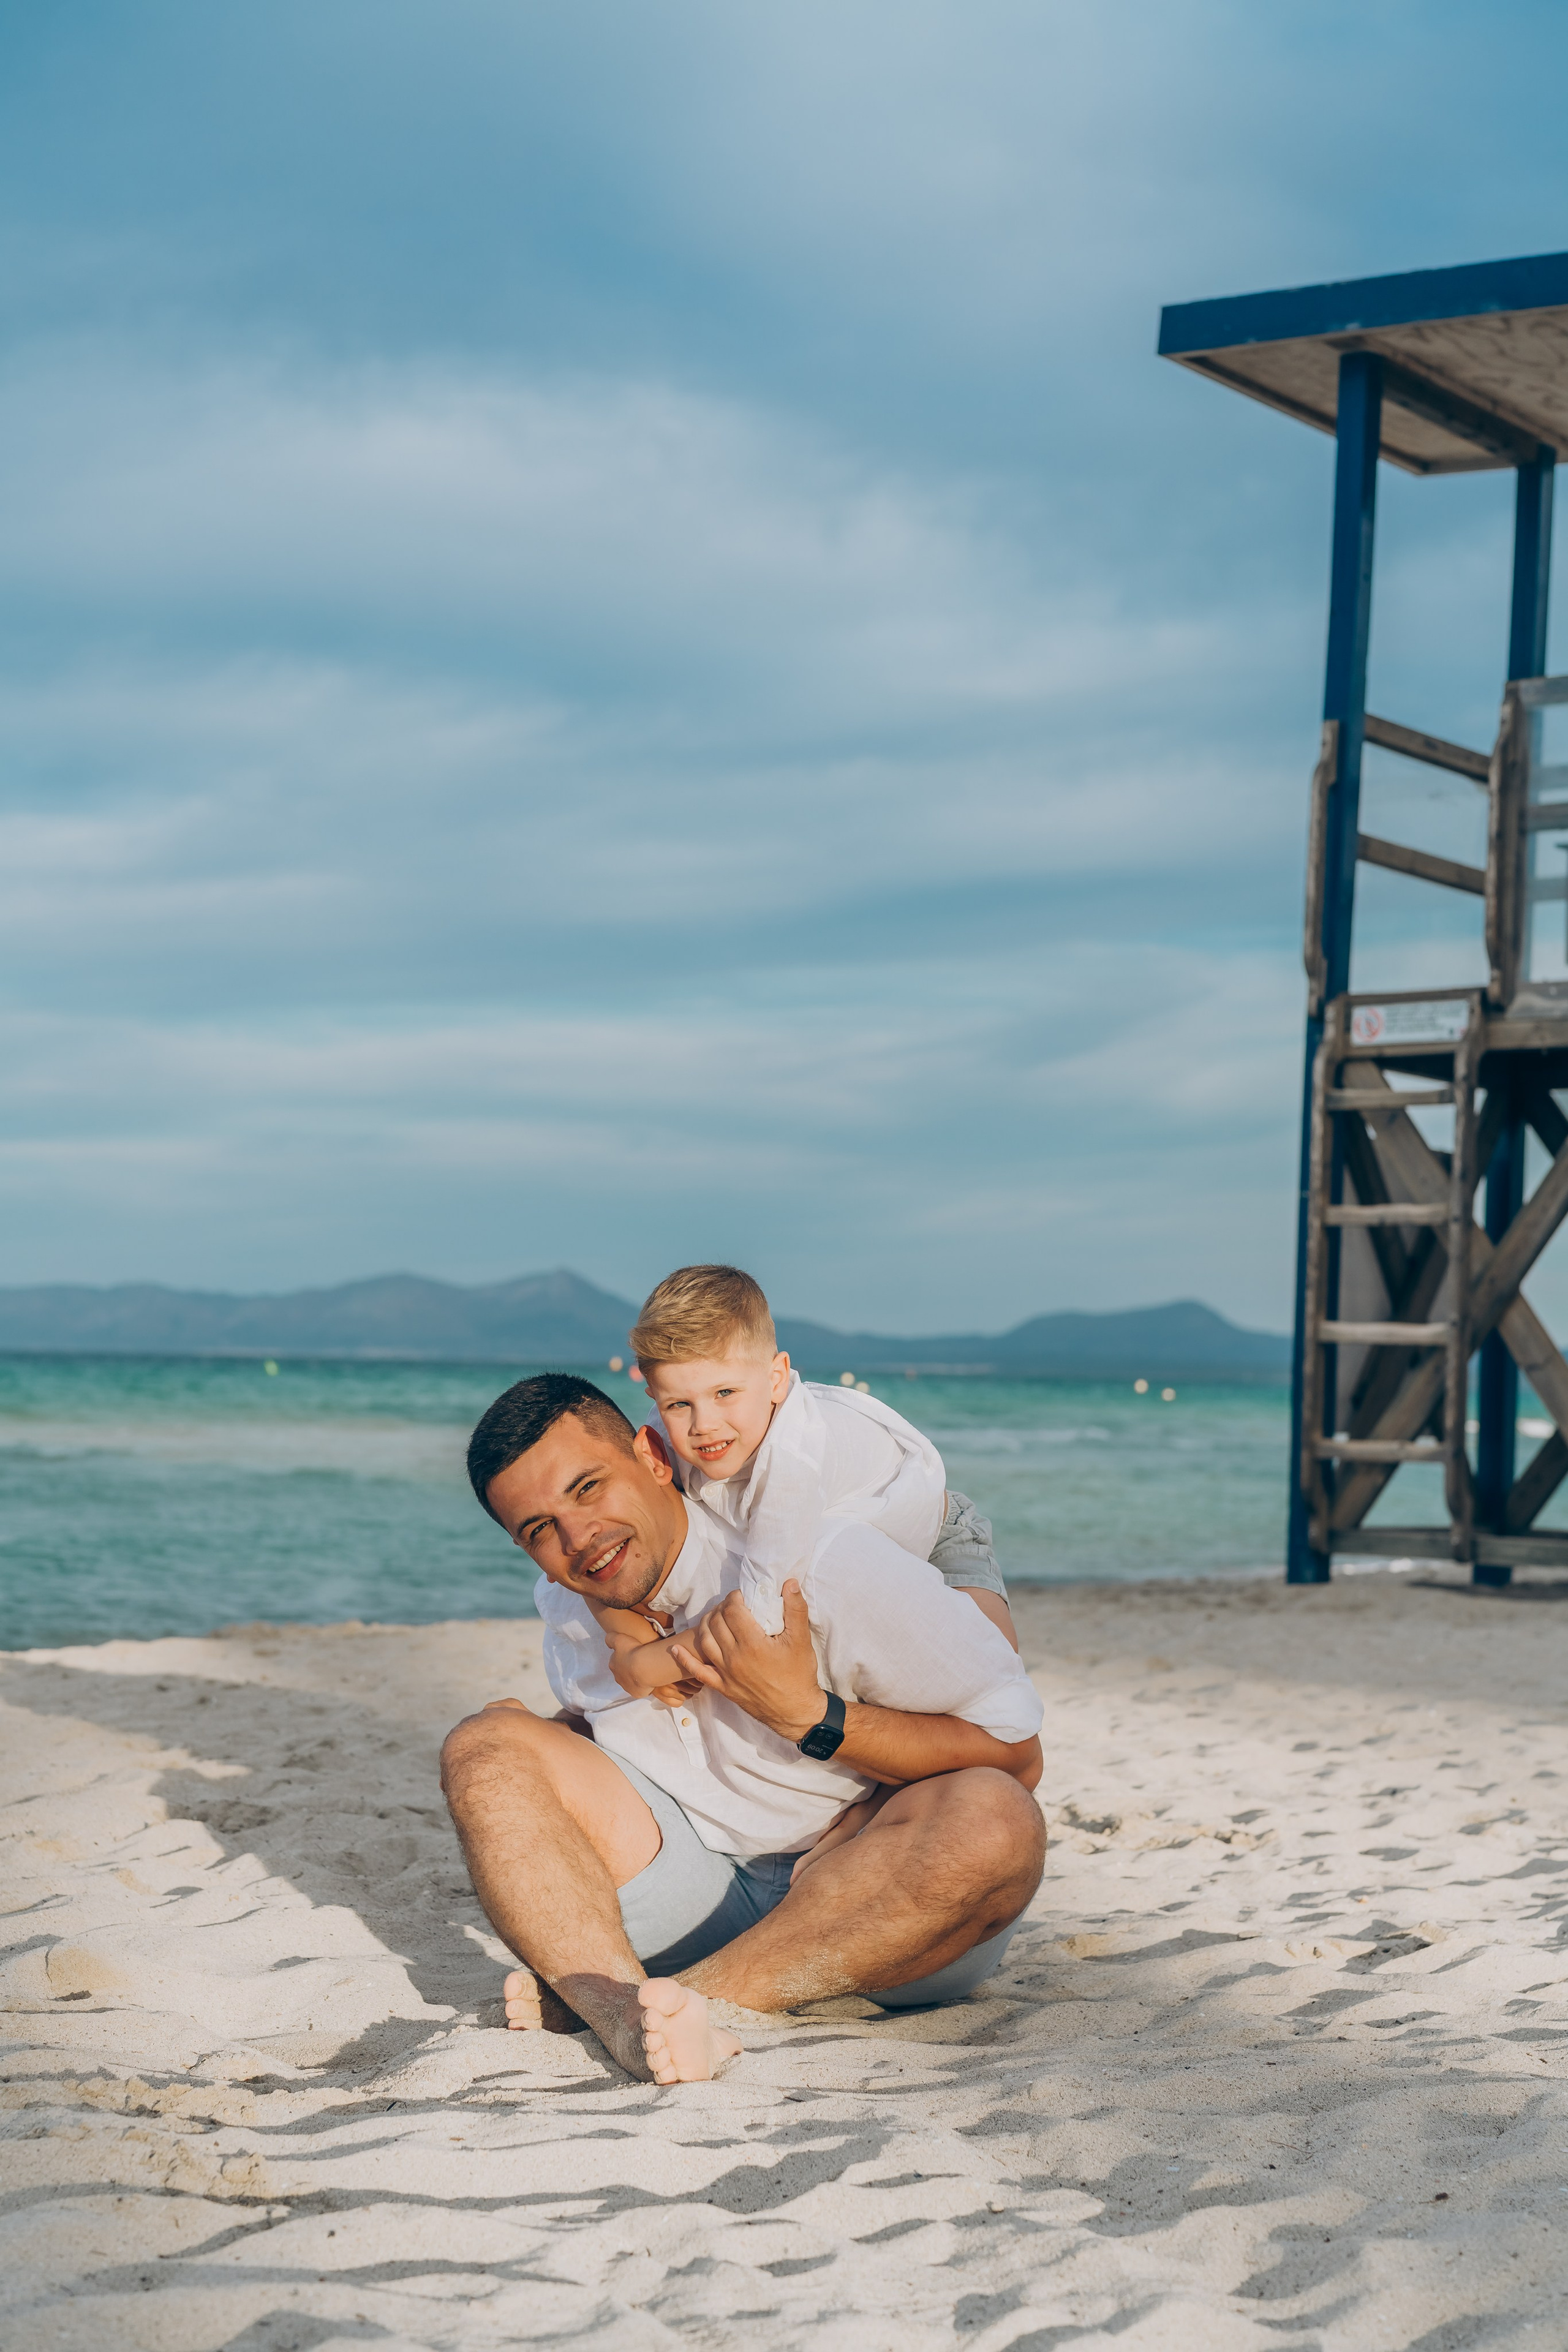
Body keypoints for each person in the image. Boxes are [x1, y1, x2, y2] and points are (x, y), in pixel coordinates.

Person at [442, 1371, 1046, 2084]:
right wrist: (536, 1758)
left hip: (872, 1905)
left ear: (654, 1456)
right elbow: (601, 1734)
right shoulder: (572, 1609)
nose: (579, 1539)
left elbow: (1016, 1753)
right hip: (689, 1887)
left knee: (995, 1823)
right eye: (540, 1529)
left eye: (588, 1487)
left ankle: (654, 2006)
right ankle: (628, 2013)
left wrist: (810, 1717)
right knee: (485, 1745)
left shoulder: (819, 1566)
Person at [586, 1263, 1016, 1700]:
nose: (704, 1425)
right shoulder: (665, 1433)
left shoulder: (793, 1457)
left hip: (938, 1535)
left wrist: (647, 1666)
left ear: (776, 1378)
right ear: (656, 1399)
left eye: (725, 1394)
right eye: (679, 1403)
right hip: (861, 1558)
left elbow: (764, 1613)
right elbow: (596, 1533)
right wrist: (626, 1634)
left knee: (995, 1683)